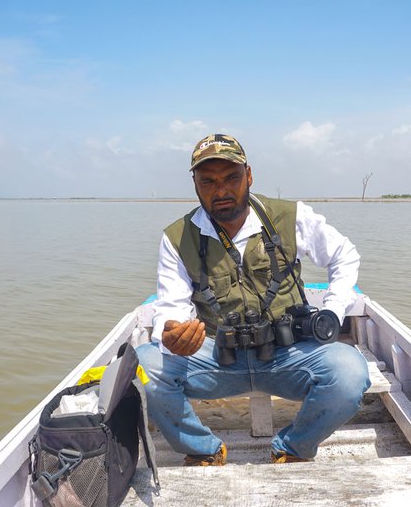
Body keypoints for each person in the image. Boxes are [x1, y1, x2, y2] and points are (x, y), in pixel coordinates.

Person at [136, 134, 370, 466]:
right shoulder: (177, 237)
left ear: (249, 175)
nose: (221, 191)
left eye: (231, 178)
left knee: (349, 372)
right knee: (142, 367)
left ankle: (293, 446)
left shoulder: (290, 217)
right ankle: (204, 448)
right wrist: (173, 333)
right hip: (217, 357)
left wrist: (332, 311)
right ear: (195, 184)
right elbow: (172, 304)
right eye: (208, 181)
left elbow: (345, 256)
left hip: (285, 356)